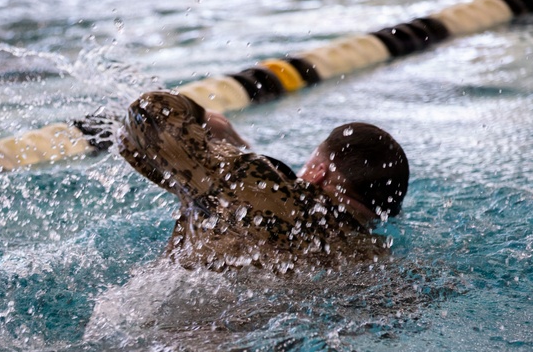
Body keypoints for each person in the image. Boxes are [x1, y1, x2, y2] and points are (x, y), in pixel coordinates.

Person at [117, 90, 409, 272]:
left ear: (319, 172)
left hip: (184, 331)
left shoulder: (252, 183)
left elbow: (148, 111)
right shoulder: (373, 255)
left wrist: (204, 117)